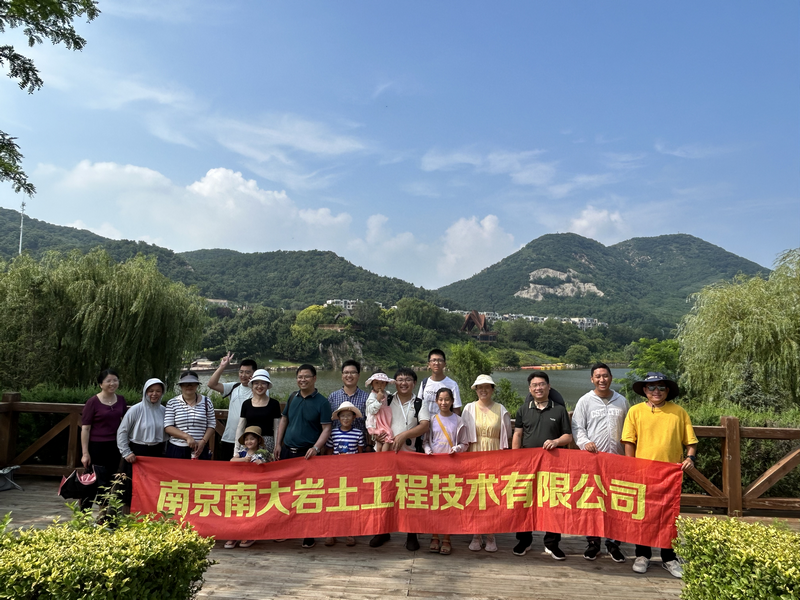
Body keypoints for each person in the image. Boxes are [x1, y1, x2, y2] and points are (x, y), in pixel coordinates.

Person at [621, 372, 698, 579]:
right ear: (644, 390)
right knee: (642, 515)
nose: (656, 391)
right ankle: (642, 555)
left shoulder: (679, 412)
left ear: (668, 390)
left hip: (669, 475)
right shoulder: (635, 411)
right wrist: (631, 466)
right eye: (652, 387)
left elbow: (691, 442)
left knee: (668, 517)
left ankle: (669, 557)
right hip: (643, 472)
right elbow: (629, 441)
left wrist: (690, 458)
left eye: (661, 387)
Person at [512, 370, 573, 560]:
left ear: (548, 386)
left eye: (541, 384)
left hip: (553, 465)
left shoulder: (559, 410)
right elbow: (518, 434)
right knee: (525, 501)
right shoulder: (523, 409)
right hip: (528, 465)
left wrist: (556, 441)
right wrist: (514, 458)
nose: (538, 388)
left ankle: (552, 543)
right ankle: (524, 540)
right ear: (530, 389)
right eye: (534, 385)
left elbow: (568, 436)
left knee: (553, 503)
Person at [571, 363, 629, 563]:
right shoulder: (585, 401)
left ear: (611, 377)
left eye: (605, 376)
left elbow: (630, 429)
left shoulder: (621, 401)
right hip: (593, 461)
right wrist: (585, 443)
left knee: (615, 502)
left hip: (617, 461)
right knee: (593, 501)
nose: (602, 380)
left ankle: (613, 543)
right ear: (592, 379)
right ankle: (593, 542)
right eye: (598, 376)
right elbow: (577, 427)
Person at [369, 367, 430, 551]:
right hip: (386, 454)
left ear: (414, 383)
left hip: (409, 456)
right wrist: (375, 436)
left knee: (411, 494)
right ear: (394, 382)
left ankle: (411, 533)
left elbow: (425, 425)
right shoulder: (386, 399)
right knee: (385, 493)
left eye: (408, 379)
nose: (404, 383)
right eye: (400, 379)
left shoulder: (419, 403)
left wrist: (404, 435)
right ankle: (382, 531)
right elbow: (372, 417)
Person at [274, 364, 332, 549]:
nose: (302, 380)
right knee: (285, 493)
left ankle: (308, 533)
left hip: (308, 454)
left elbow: (327, 428)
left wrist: (316, 448)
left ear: (314, 378)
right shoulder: (293, 397)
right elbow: (284, 419)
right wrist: (278, 443)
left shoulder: (322, 402)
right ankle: (285, 529)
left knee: (307, 495)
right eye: (299, 377)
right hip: (287, 451)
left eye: (306, 376)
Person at [460, 374, 512, 553]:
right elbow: (462, 434)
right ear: (475, 390)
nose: (483, 390)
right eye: (479, 387)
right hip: (473, 454)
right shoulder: (468, 409)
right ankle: (476, 534)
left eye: (487, 387)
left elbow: (507, 435)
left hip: (494, 454)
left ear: (492, 389)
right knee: (474, 495)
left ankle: (491, 534)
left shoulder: (501, 409)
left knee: (492, 495)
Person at [423, 388, 469, 555]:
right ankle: (434, 536)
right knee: (435, 502)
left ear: (452, 401)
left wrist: (458, 448)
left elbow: (465, 443)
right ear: (436, 401)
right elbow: (425, 441)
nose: (444, 403)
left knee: (449, 502)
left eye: (447, 399)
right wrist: (427, 449)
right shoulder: (432, 420)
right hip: (434, 466)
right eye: (441, 399)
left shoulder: (459, 420)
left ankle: (447, 537)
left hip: (452, 467)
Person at [116, 378, 166, 510]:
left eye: (158, 391)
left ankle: (151, 513)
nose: (154, 394)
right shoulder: (135, 410)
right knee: (131, 485)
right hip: (137, 451)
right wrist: (126, 452)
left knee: (153, 484)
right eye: (151, 391)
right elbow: (122, 432)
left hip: (157, 452)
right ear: (145, 392)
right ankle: (127, 514)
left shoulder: (164, 410)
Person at [81, 368, 127, 510]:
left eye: (115, 380)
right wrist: (85, 453)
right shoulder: (93, 402)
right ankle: (83, 514)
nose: (112, 383)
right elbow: (85, 428)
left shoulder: (121, 400)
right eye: (108, 381)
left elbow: (125, 423)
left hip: (114, 446)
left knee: (109, 481)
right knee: (92, 480)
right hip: (96, 447)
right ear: (101, 384)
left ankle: (103, 515)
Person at [323, 401, 365, 547]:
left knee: (350, 502)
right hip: (336, 472)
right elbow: (329, 451)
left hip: (351, 473)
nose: (346, 419)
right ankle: (331, 532)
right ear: (339, 418)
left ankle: (350, 532)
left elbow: (360, 453)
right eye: (343, 416)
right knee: (333, 501)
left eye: (348, 416)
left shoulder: (358, 433)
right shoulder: (333, 433)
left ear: (353, 417)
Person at [207, 353, 257, 460]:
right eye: (241, 372)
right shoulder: (234, 387)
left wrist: (254, 383)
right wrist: (222, 366)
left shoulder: (259, 390)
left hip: (249, 441)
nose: (243, 375)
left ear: (254, 373)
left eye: (247, 372)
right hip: (229, 438)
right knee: (227, 467)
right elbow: (211, 384)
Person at [225, 426, 267, 550]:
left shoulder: (262, 453)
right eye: (246, 439)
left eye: (252, 439)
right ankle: (233, 535)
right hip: (241, 486)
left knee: (252, 511)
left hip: (256, 488)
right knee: (237, 510)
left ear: (258, 440)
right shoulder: (242, 452)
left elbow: (271, 464)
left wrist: (262, 463)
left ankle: (249, 535)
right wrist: (244, 460)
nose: (249, 441)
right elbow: (232, 460)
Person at [164, 371, 216, 460]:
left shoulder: (207, 401)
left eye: (192, 383)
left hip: (199, 448)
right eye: (185, 384)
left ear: (197, 385)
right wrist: (187, 437)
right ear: (181, 386)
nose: (189, 386)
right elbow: (168, 427)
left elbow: (212, 424)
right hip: (177, 448)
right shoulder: (172, 403)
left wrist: (203, 441)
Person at [233, 369, 281, 460]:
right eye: (256, 383)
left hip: (267, 444)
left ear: (267, 385)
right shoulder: (246, 404)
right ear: (252, 385)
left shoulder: (274, 404)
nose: (259, 386)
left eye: (263, 383)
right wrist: (236, 450)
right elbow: (240, 427)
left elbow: (277, 428)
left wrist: (276, 446)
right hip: (249, 443)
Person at [327, 359, 370, 447]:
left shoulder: (367, 398)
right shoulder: (332, 397)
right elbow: (328, 423)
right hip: (337, 447)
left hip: (360, 447)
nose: (349, 375)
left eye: (353, 372)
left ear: (358, 375)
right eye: (346, 372)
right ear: (342, 375)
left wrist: (369, 445)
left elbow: (370, 423)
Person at [417, 349, 462, 416]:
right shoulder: (424, 383)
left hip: (444, 422)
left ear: (444, 364)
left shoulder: (452, 384)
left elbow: (456, 410)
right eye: (433, 360)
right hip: (426, 422)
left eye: (440, 360)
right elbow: (419, 405)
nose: (437, 363)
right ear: (429, 364)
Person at [365, 371, 395, 452]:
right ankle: (382, 456)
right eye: (376, 383)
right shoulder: (372, 396)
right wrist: (378, 399)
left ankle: (379, 456)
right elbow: (371, 410)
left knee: (382, 440)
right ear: (372, 384)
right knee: (387, 437)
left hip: (383, 420)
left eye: (382, 383)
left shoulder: (386, 394)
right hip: (376, 422)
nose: (379, 385)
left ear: (386, 384)